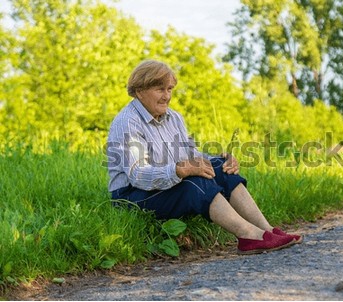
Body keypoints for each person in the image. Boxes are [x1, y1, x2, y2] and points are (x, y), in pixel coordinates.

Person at [107, 60, 302, 255]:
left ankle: (268, 230)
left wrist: (219, 159)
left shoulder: (173, 118)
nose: (167, 96)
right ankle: (248, 235)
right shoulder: (127, 122)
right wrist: (179, 170)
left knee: (218, 166)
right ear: (140, 90)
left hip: (163, 184)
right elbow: (137, 174)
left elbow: (190, 155)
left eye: (170, 89)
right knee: (195, 184)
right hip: (131, 195)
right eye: (160, 89)